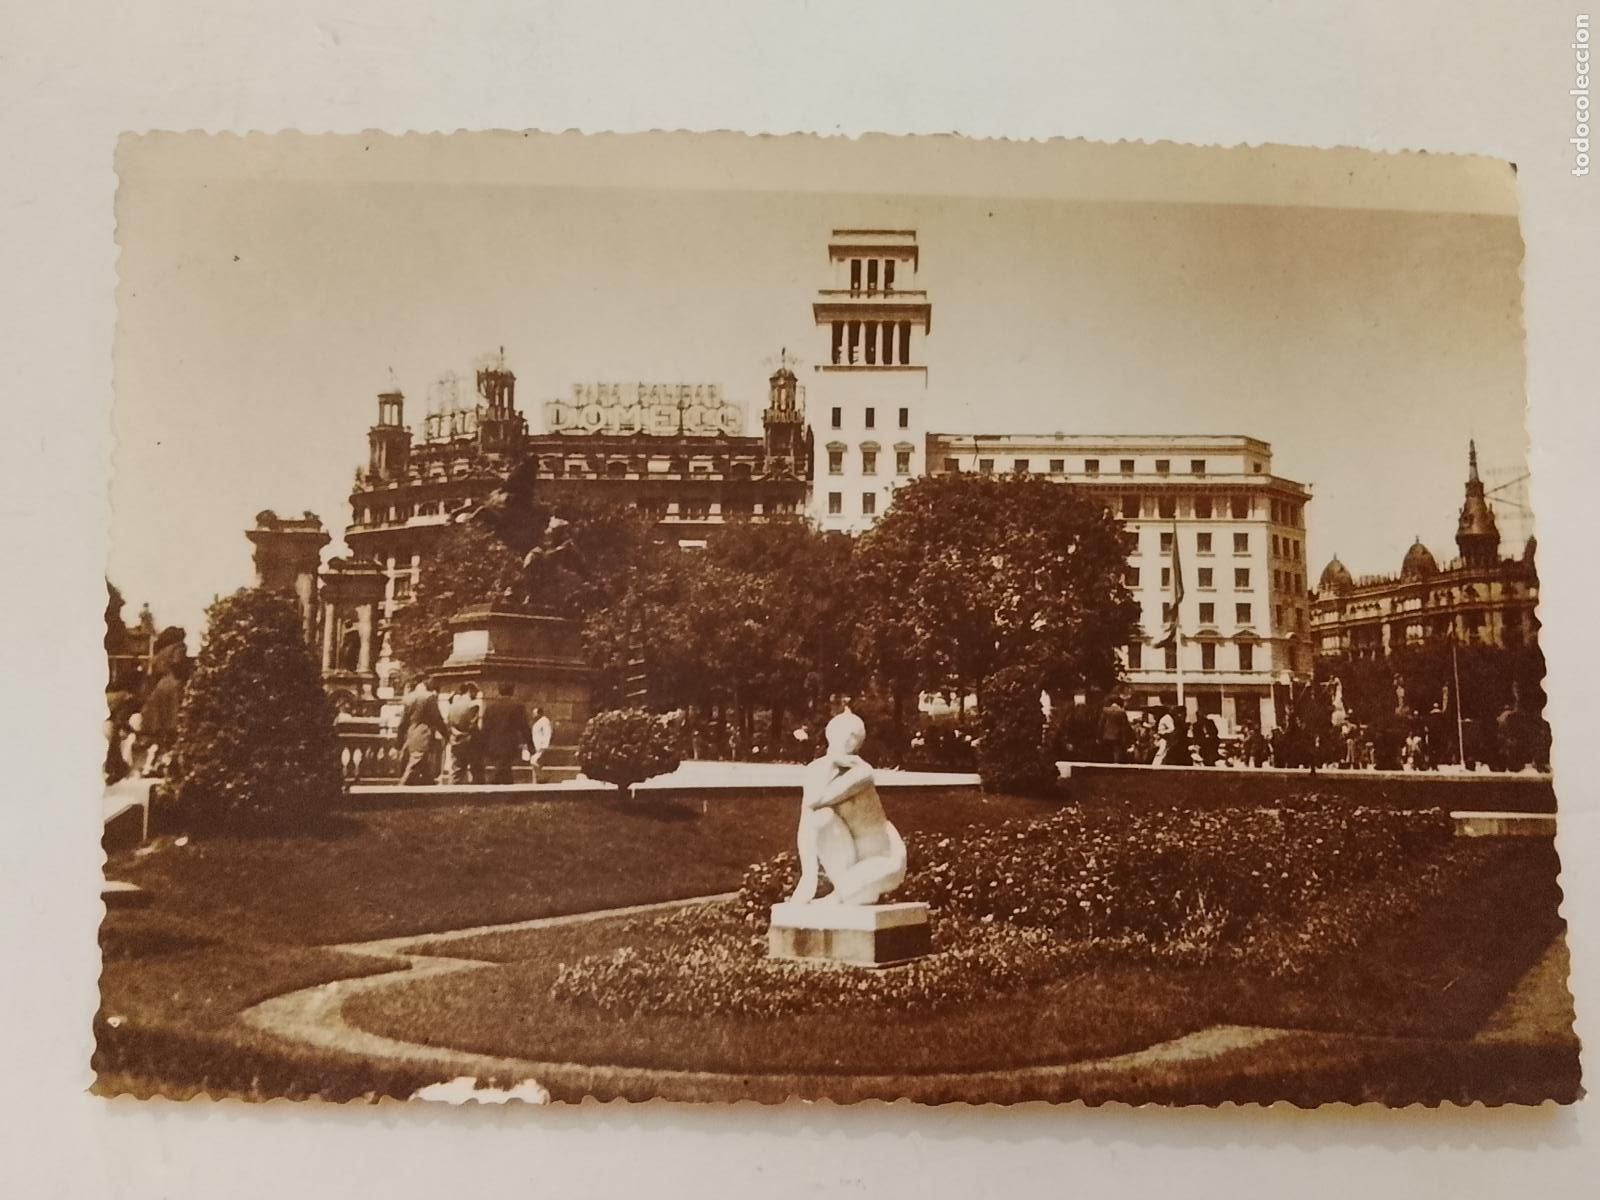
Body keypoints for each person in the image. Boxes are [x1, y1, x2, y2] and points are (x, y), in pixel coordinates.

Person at [396, 676, 448, 785]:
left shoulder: (409, 697)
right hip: (423, 733)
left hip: (411, 733)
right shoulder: (429, 697)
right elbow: (437, 719)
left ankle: (428, 783)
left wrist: (399, 739)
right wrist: (446, 734)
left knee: (424, 767)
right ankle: (399, 791)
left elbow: (403, 722)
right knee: (415, 764)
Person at [480, 682, 534, 785]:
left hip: (493, 744)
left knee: (504, 769)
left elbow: (485, 728)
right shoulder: (517, 707)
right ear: (512, 691)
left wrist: (483, 745)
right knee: (502, 769)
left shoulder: (491, 707)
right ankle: (495, 786)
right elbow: (524, 727)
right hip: (509, 744)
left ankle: (503, 790)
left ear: (499, 691)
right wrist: (530, 745)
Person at [444, 683, 483, 784]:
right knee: (477, 771)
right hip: (470, 742)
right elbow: (473, 726)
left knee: (456, 771)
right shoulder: (473, 706)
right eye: (475, 692)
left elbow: (448, 724)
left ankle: (450, 796)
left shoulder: (452, 706)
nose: (476, 695)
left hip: (455, 741)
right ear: (470, 691)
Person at [1098, 694, 1132, 764]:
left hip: (1106, 735)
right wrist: (1126, 738)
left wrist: (1099, 736)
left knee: (1107, 753)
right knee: (1117, 752)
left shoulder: (1105, 711)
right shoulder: (1122, 712)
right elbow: (1125, 726)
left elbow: (1101, 724)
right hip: (1118, 736)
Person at [529, 704, 553, 783]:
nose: (533, 715)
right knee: (535, 763)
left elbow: (547, 733)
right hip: (536, 746)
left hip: (541, 747)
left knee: (533, 761)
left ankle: (542, 777)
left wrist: (544, 746)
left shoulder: (544, 721)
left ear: (539, 713)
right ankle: (536, 780)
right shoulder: (537, 722)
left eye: (534, 713)